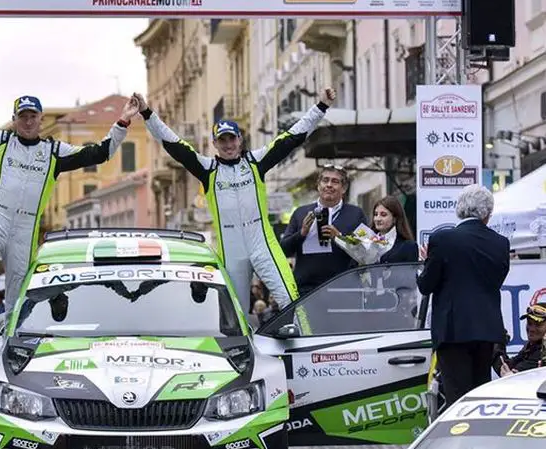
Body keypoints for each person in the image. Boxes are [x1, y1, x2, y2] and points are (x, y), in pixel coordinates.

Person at [0, 65, 139, 311]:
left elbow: (100, 153)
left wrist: (123, 121)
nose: (28, 122)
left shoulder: (54, 152)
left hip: (25, 231)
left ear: (41, 119)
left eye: (33, 116)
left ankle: (7, 336)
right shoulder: (0, 142)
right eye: (23, 116)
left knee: (16, 301)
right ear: (14, 120)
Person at [135, 89, 336, 310]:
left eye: (232, 139)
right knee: (235, 312)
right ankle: (243, 344)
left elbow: (292, 137)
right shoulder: (207, 169)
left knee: (289, 297)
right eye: (223, 141)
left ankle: (297, 337)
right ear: (214, 143)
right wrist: (146, 112)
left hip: (262, 244)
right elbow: (173, 143)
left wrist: (321, 106)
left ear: (240, 140)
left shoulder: (255, 162)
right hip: (232, 250)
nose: (228, 145)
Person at [417, 184, 510, 407]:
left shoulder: (443, 239)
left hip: (453, 330)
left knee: (457, 399)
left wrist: (424, 264)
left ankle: (459, 441)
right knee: (480, 396)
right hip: (486, 330)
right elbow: (496, 281)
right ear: (487, 214)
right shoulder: (501, 243)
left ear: (460, 209)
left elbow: (426, 285)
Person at [280, 165, 368, 295]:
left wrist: (339, 237)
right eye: (325, 180)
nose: (329, 185)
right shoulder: (301, 213)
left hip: (344, 289)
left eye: (335, 181)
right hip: (306, 290)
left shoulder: (356, 214)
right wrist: (302, 233)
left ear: (344, 188)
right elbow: (283, 251)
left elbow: (365, 252)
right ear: (318, 185)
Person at [335, 195, 419, 265]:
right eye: (376, 214)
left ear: (395, 219)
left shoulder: (408, 246)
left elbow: (409, 278)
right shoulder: (364, 242)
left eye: (383, 215)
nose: (378, 219)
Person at [492, 296, 545, 376]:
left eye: (538, 325)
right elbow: (506, 367)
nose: (531, 329)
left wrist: (497, 342)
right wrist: (498, 342)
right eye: (529, 323)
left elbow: (510, 375)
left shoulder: (541, 351)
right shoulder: (531, 346)